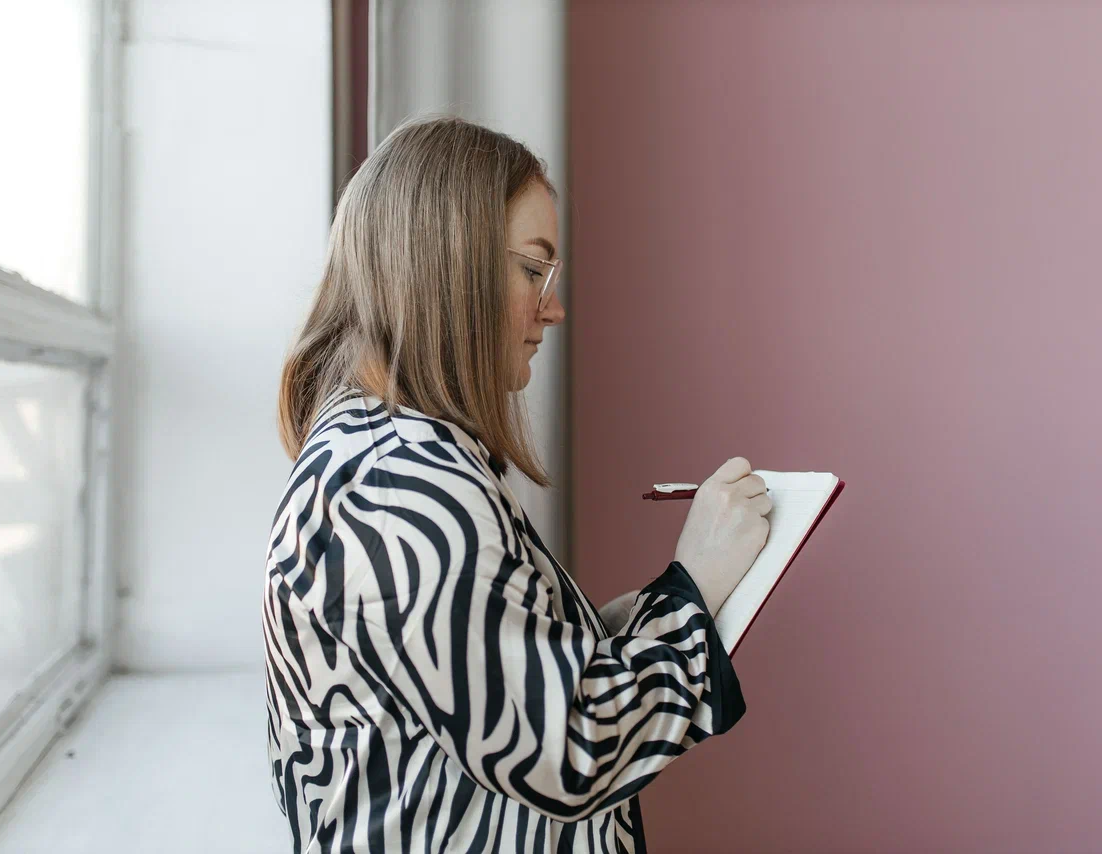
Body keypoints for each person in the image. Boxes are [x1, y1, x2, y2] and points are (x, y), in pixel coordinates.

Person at [263, 116, 773, 853]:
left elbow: (490, 672)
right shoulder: (402, 489)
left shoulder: (381, 454)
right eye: (534, 271)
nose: (553, 309)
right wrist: (694, 585)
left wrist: (639, 612)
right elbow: (568, 749)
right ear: (447, 266)